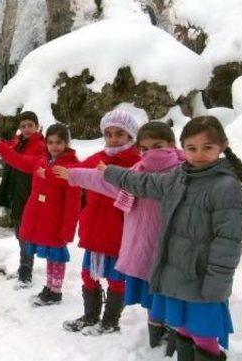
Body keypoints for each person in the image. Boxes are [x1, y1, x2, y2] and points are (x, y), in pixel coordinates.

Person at [101, 116, 242, 360]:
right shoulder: (179, 176)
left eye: (208, 148)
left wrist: (216, 285)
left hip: (203, 280)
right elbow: (144, 182)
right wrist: (110, 172)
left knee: (203, 336)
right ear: (182, 148)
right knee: (182, 327)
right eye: (192, 148)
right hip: (174, 274)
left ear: (222, 146)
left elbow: (229, 242)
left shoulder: (226, 187)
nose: (199, 154)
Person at [54, 122, 184, 346]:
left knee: (156, 291)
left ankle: (156, 333)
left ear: (171, 145)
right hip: (108, 234)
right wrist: (73, 174)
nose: (151, 153)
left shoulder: (178, 173)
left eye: (158, 146)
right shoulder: (138, 170)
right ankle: (102, 319)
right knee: (95, 276)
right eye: (146, 149)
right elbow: (100, 180)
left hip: (142, 241)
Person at [62, 109, 141, 335]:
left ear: (130, 136)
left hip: (118, 232)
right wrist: (51, 169)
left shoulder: (136, 162)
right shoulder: (98, 157)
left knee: (116, 279)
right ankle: (90, 316)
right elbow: (73, 171)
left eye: (119, 134)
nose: (113, 139)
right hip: (94, 229)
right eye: (108, 134)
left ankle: (110, 321)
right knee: (88, 274)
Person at [0, 123, 81, 306]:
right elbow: (18, 160)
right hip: (42, 219)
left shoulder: (70, 167)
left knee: (57, 257)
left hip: (56, 221)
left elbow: (73, 202)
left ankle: (55, 291)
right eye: (51, 142)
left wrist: (68, 229)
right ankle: (49, 287)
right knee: (49, 257)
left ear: (66, 143)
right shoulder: (41, 161)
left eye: (59, 142)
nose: (54, 146)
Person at [0, 112, 45, 288]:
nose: (26, 129)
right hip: (17, 194)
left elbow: (22, 161)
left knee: (26, 235)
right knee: (20, 234)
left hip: (29, 196)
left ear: (37, 126)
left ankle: (26, 274)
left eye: (30, 125)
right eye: (23, 126)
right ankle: (24, 269)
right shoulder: (18, 143)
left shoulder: (40, 145)